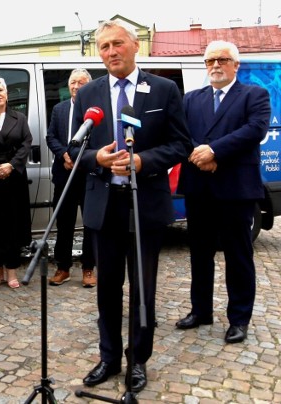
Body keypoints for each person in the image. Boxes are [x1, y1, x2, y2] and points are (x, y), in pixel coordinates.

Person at [69, 21, 191, 392]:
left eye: (117, 44)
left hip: (145, 204)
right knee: (107, 287)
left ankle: (139, 359)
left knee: (143, 288)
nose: (110, 52)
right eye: (103, 46)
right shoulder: (87, 92)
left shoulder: (163, 89)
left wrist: (143, 161)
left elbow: (181, 144)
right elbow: (75, 148)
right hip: (104, 204)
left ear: (135, 45)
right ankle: (108, 357)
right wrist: (97, 159)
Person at [175, 41, 271, 344]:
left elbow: (255, 129)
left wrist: (215, 151)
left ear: (236, 65)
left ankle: (239, 318)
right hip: (199, 185)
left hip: (235, 187)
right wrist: (199, 155)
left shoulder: (254, 94)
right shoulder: (191, 99)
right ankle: (200, 310)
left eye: (222, 60)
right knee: (199, 253)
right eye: (209, 60)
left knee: (238, 255)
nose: (215, 65)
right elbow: (179, 133)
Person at [46, 68, 97, 288]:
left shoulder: (95, 112)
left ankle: (88, 268)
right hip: (63, 172)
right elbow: (51, 137)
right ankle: (63, 267)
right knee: (64, 223)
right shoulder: (59, 109)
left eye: (81, 82)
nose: (76, 86)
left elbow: (98, 142)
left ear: (89, 85)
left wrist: (80, 159)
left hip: (87, 175)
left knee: (90, 224)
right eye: (73, 82)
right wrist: (64, 154)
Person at [0, 75, 32, 289]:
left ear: (7, 94)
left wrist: (11, 165)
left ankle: (11, 270)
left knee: (13, 225)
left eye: (0, 90)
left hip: (14, 179)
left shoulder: (19, 118)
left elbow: (26, 143)